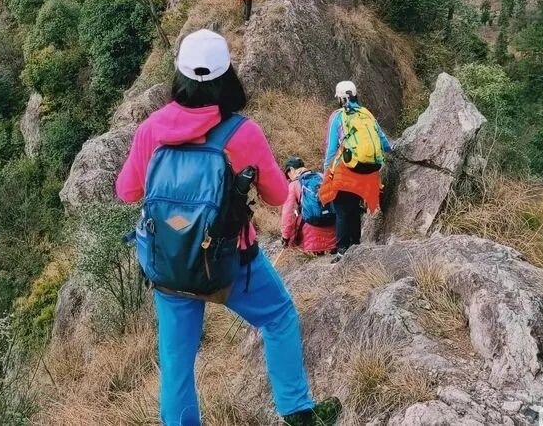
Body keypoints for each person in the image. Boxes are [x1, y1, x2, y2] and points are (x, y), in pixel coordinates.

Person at [116, 30, 341, 426]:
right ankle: (297, 413)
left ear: (179, 76)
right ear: (228, 77)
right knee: (278, 317)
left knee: (176, 364)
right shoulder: (241, 132)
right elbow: (274, 195)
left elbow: (127, 191)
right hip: (232, 261)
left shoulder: (151, 129)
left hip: (170, 264)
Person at [319, 80, 392, 262]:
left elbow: (331, 147)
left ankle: (343, 250)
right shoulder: (366, 114)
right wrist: (393, 149)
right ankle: (356, 245)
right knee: (353, 209)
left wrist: (327, 171)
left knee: (343, 210)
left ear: (341, 98)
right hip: (367, 173)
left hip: (347, 170)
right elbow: (383, 140)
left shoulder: (338, 116)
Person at [282, 158, 337, 256]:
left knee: (299, 216)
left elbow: (287, 214)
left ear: (292, 169)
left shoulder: (294, 185)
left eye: (288, 175)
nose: (289, 178)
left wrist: (285, 237)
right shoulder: (322, 176)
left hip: (311, 240)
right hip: (334, 234)